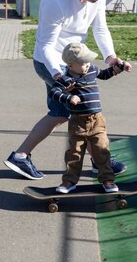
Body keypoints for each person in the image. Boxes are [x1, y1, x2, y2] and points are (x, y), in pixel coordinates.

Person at [4, 0, 132, 180]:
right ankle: (99, 161)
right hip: (50, 61)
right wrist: (58, 75)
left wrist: (110, 57)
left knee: (61, 114)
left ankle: (21, 156)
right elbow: (46, 46)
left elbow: (100, 28)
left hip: (75, 61)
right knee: (85, 111)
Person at [51, 42, 119, 194]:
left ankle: (107, 179)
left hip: (97, 120)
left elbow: (105, 74)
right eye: (83, 62)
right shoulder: (66, 78)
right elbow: (53, 92)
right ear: (70, 65)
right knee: (74, 153)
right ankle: (69, 181)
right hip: (77, 122)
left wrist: (119, 68)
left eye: (88, 61)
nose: (88, 64)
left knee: (102, 150)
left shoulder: (92, 70)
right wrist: (68, 98)